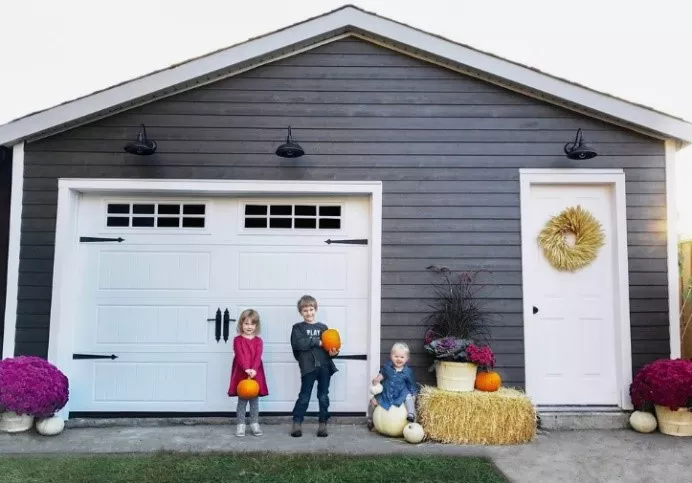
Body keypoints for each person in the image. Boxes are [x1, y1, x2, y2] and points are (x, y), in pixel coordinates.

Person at [290, 295, 339, 437]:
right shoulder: (298, 328)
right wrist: (316, 342)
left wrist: (333, 352)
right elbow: (298, 344)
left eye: (311, 309)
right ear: (301, 312)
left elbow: (330, 347)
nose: (309, 313)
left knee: (323, 396)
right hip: (308, 368)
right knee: (304, 396)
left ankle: (323, 423)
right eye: (305, 310)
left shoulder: (323, 328)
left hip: (324, 367)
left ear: (315, 309)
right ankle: (297, 423)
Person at [227, 309, 268, 437]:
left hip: (256, 373)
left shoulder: (258, 341)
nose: (249, 327)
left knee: (254, 401)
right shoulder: (237, 340)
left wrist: (254, 369)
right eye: (246, 323)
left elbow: (258, 356)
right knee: (242, 400)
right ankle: (241, 425)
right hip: (241, 372)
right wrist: (246, 369)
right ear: (241, 324)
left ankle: (254, 423)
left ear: (256, 325)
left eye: (252, 324)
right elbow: (239, 355)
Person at [367, 342, 418, 431]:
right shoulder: (388, 367)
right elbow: (382, 374)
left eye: (402, 357)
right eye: (396, 356)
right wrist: (378, 379)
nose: (399, 359)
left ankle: (411, 414)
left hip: (401, 392)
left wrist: (414, 394)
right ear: (391, 356)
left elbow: (411, 384)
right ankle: (370, 419)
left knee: (409, 398)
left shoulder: (407, 372)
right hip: (387, 391)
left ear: (407, 359)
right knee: (373, 401)